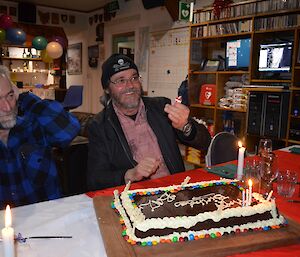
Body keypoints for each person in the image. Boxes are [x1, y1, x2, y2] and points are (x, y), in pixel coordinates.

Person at [87, 54, 211, 191]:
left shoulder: (161, 107)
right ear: (106, 88)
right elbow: (95, 179)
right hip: (135, 199)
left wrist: (185, 126)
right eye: (120, 80)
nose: (130, 85)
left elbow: (205, 142)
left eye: (134, 78)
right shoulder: (99, 126)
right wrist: (129, 175)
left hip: (176, 190)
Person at [0, 65, 80, 209]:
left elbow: (69, 130)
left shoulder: (32, 125)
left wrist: (25, 98)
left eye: (10, 95)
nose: (7, 107)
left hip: (49, 218)